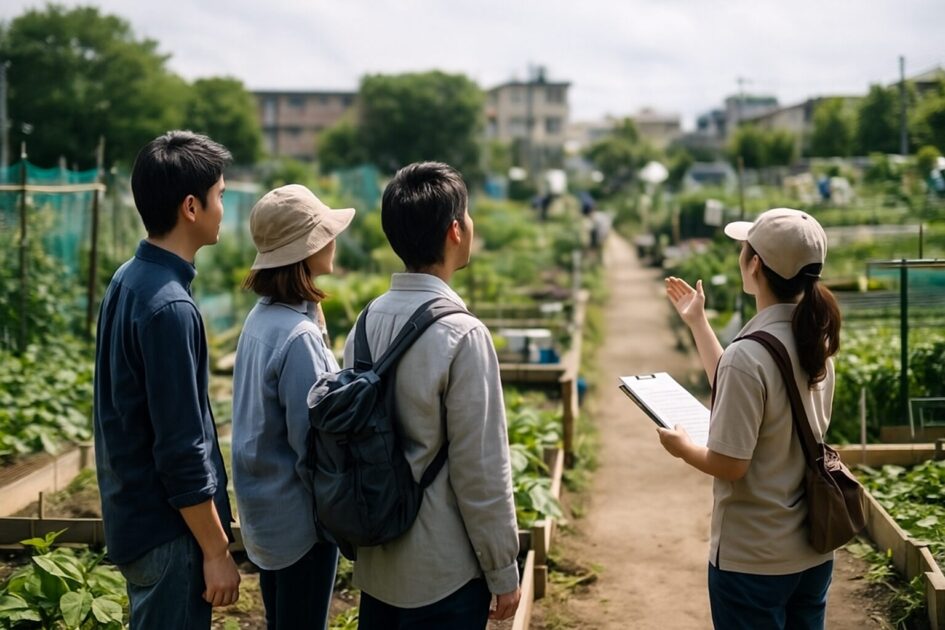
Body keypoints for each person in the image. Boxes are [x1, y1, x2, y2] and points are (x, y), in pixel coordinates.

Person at [347, 162, 521, 629]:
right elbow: (481, 471)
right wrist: (503, 570)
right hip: (444, 573)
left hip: (379, 562)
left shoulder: (365, 323)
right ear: (455, 231)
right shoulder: (463, 335)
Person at [659, 208, 841, 630]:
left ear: (755, 264)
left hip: (754, 560)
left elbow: (730, 465)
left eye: (744, 250)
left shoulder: (749, 356)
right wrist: (698, 323)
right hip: (811, 551)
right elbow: (740, 381)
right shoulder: (814, 340)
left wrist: (683, 448)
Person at [93, 130, 240, 629]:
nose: (224, 206)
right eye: (220, 195)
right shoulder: (171, 307)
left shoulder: (128, 278)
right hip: (170, 532)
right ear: (191, 207)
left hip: (135, 518)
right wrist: (217, 549)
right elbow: (180, 447)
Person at [231, 185, 354, 629]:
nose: (333, 239)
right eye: (324, 233)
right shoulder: (297, 336)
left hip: (266, 518)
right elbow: (314, 447)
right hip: (302, 525)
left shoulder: (263, 318)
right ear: (306, 249)